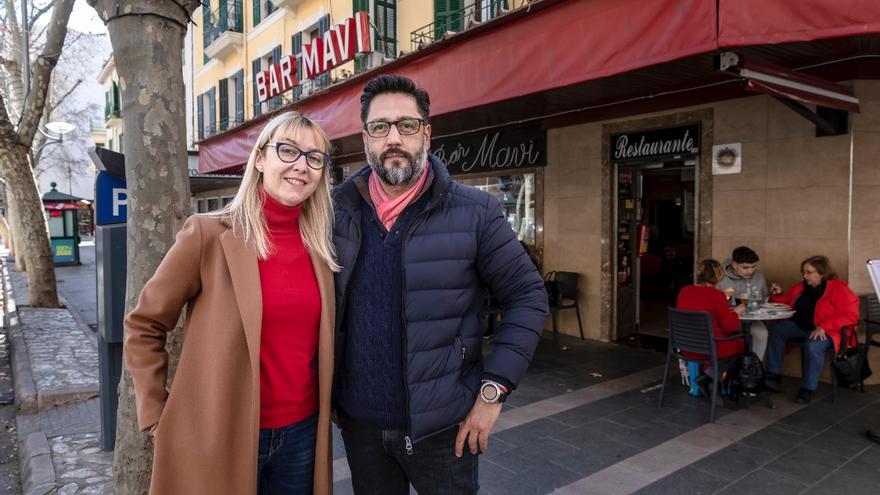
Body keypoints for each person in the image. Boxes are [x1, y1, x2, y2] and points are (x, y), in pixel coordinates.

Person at [332, 74, 548, 494]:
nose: (393, 137)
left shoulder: (476, 211)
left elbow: (528, 294)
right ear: (365, 138)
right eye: (380, 127)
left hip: (445, 428)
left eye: (407, 125)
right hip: (361, 428)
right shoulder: (336, 210)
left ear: (426, 133)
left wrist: (493, 392)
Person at [124, 112, 338, 495]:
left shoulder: (320, 248)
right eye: (287, 151)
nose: (300, 166)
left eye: (314, 157)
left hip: (302, 435)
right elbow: (145, 324)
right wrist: (155, 411)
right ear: (259, 159)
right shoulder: (208, 235)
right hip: (221, 433)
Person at [764, 255, 860, 404]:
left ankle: (807, 389)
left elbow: (851, 315)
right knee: (778, 330)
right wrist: (778, 295)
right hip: (801, 327)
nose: (805, 276)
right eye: (803, 272)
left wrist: (824, 326)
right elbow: (787, 302)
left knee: (812, 345)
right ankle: (773, 376)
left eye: (809, 272)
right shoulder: (801, 287)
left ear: (822, 273)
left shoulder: (839, 289)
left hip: (830, 332)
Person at [676, 259, 747, 394]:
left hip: (686, 347)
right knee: (741, 343)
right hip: (711, 348)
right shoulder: (717, 295)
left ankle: (704, 379)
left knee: (732, 344)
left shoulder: (684, 291)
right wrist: (736, 313)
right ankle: (709, 378)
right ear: (719, 276)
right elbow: (730, 327)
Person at [718, 246, 770, 358]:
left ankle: (755, 368)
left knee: (762, 334)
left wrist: (773, 294)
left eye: (753, 267)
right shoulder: (719, 276)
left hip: (750, 319)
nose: (750, 271)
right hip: (725, 319)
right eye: (745, 267)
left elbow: (764, 297)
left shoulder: (759, 275)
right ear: (734, 264)